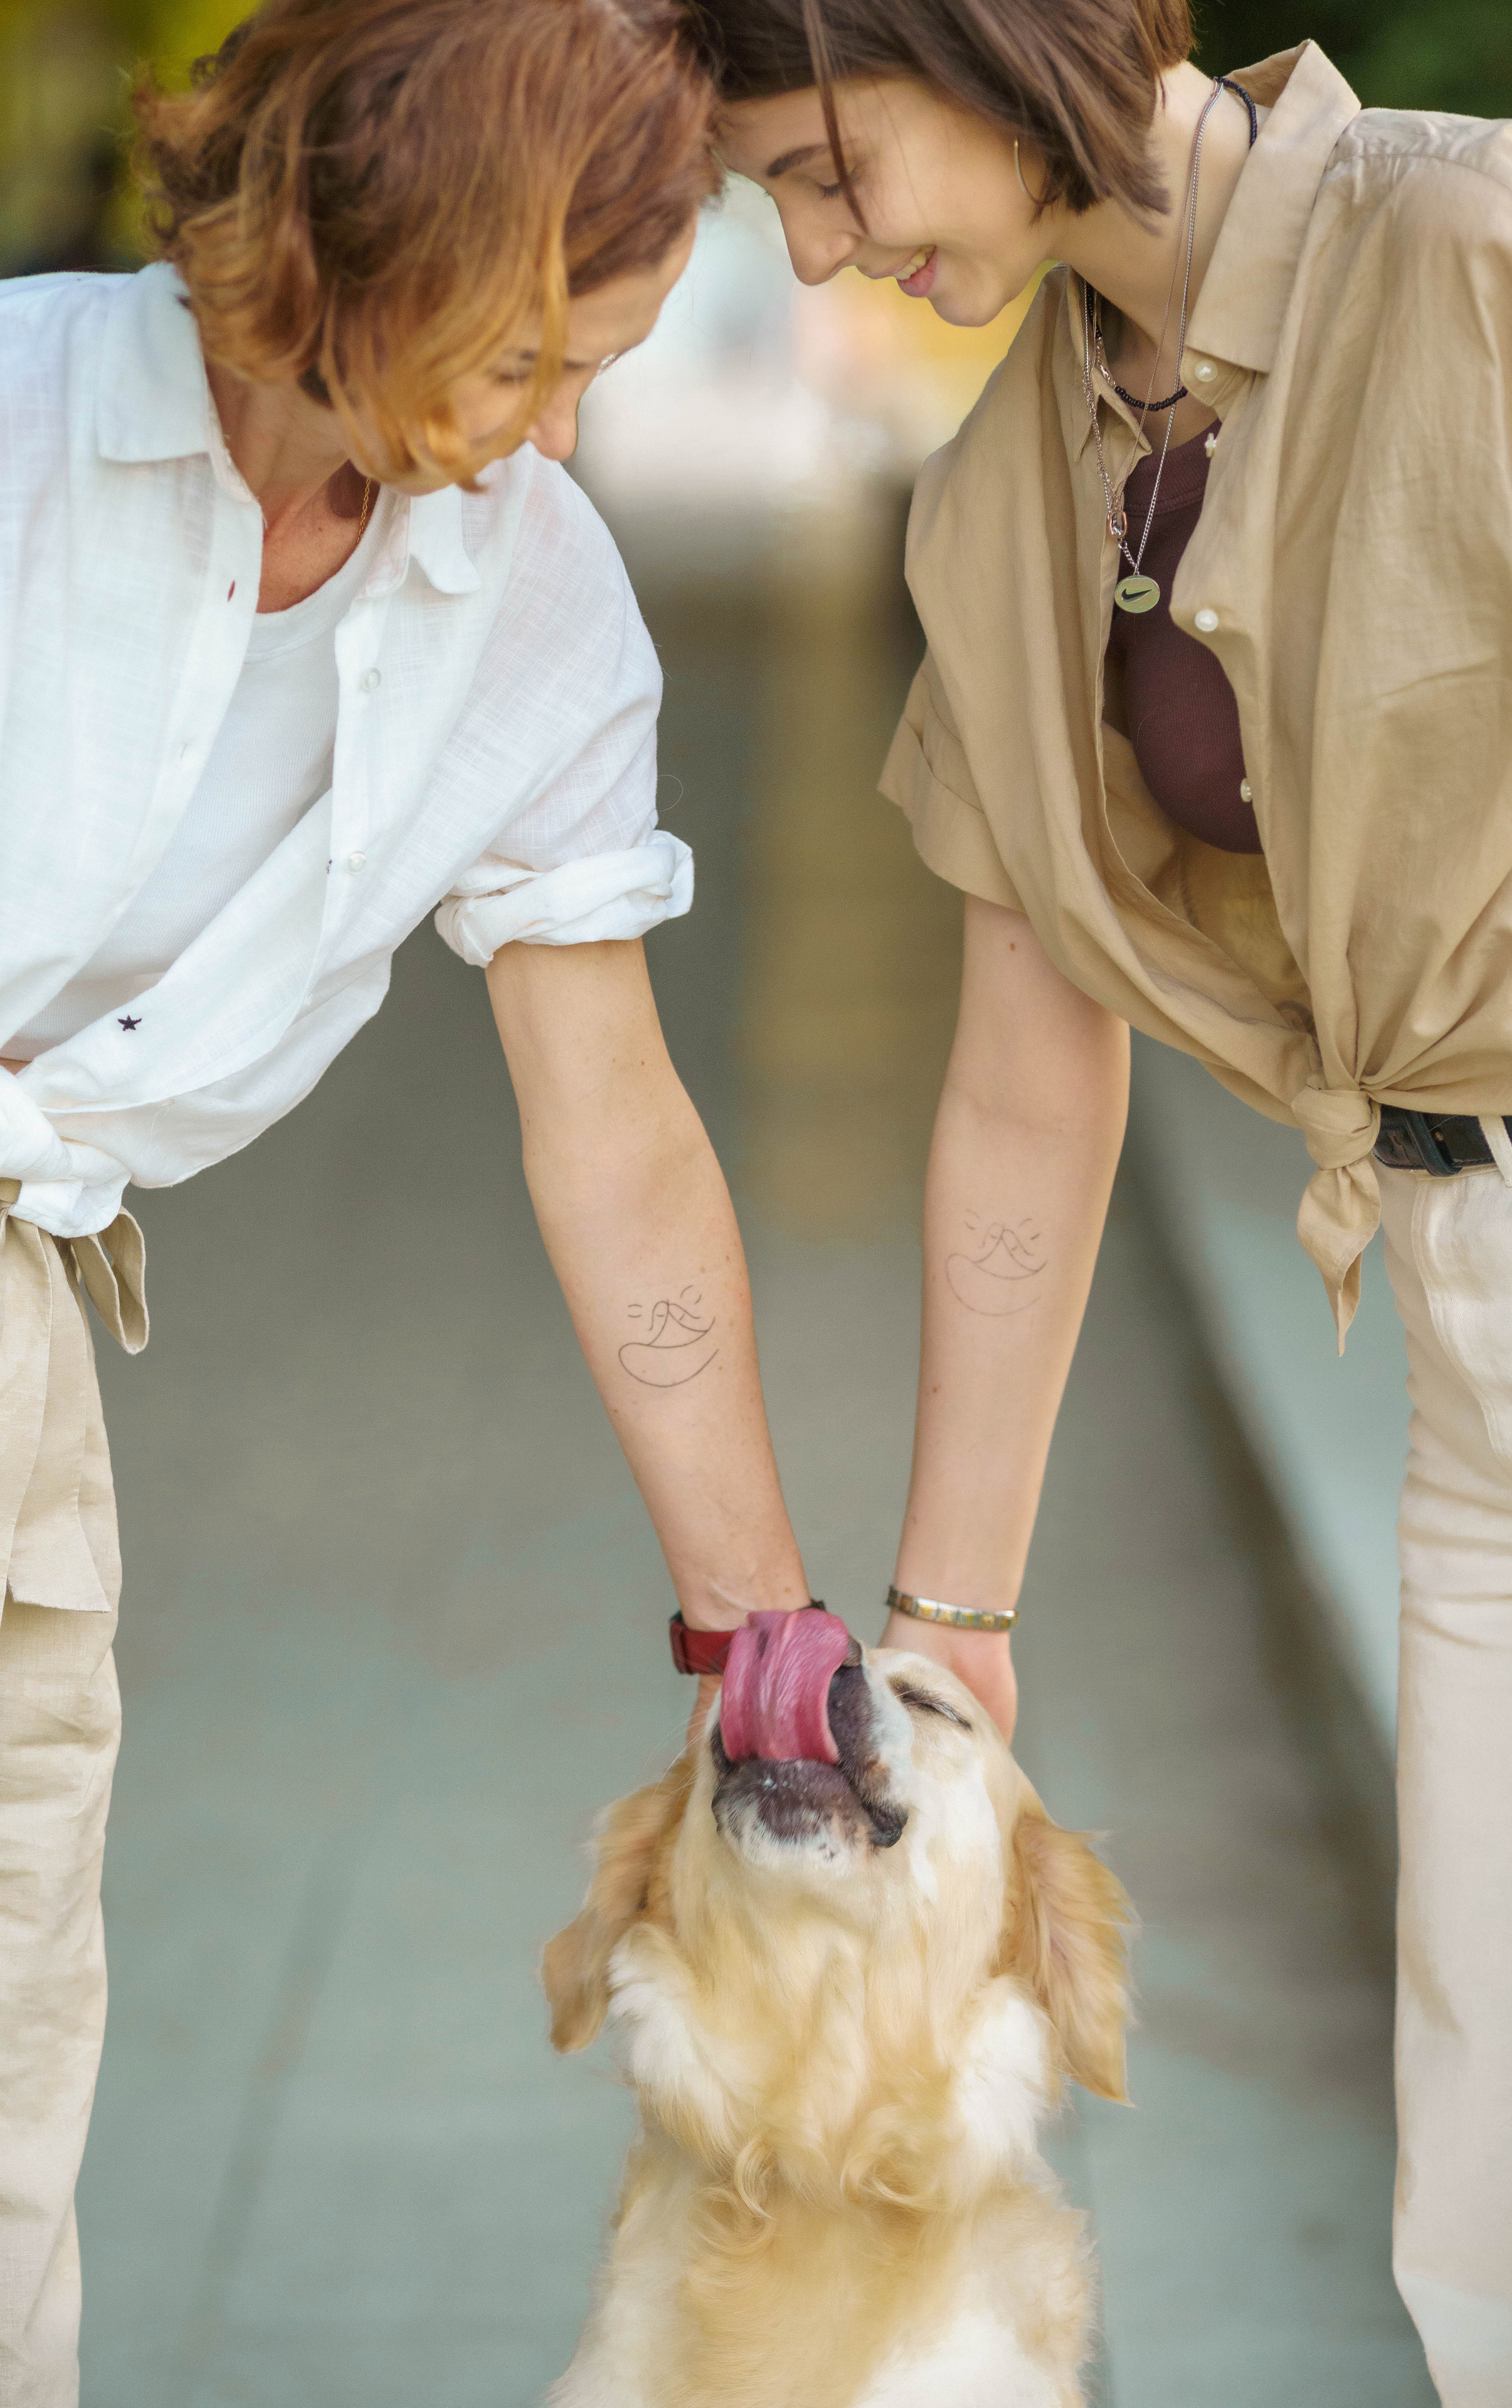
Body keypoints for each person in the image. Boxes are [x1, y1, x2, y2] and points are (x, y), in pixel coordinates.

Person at [692, 2, 1512, 2400]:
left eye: (819, 164)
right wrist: (951, 1618)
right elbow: (1023, 1065)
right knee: (1497, 2204)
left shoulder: (1492, 245)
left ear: (977, 45)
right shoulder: (1015, 491)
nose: (813, 252)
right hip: (1464, 1309)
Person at [0, 0, 818, 2394]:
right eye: (526, 360)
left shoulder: (538, 599)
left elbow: (620, 1126)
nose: (561, 436)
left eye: (605, 371)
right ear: (359, 255)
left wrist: (753, 1631)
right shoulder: (24, 425)